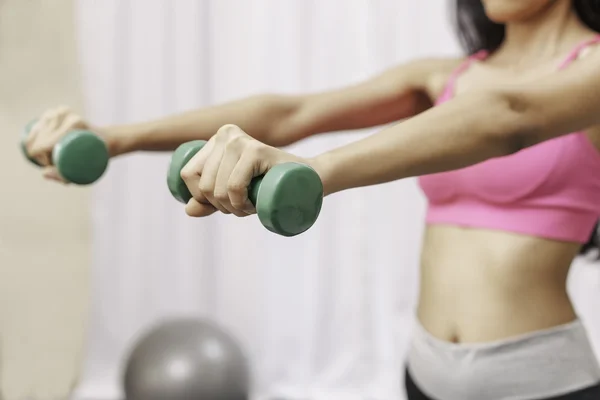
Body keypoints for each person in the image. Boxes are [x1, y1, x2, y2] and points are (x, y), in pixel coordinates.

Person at [25, 0, 600, 398]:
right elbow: (288, 113)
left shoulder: (589, 71)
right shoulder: (447, 76)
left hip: (537, 381)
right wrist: (114, 139)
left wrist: (317, 173)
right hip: (423, 373)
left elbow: (508, 117)